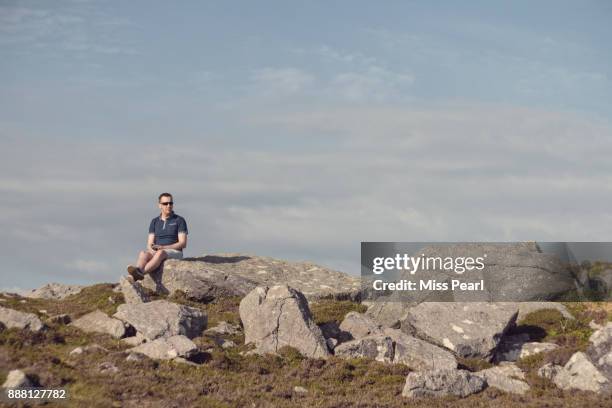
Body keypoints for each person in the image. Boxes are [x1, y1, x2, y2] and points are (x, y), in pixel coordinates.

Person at [127, 192, 188, 281]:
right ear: (159, 205)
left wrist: (163, 247)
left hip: (175, 252)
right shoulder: (154, 221)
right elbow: (149, 243)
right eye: (165, 203)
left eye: (170, 203)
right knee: (143, 253)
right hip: (158, 251)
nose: (168, 206)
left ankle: (138, 273)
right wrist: (152, 249)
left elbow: (183, 243)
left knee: (160, 253)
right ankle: (138, 272)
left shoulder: (179, 220)